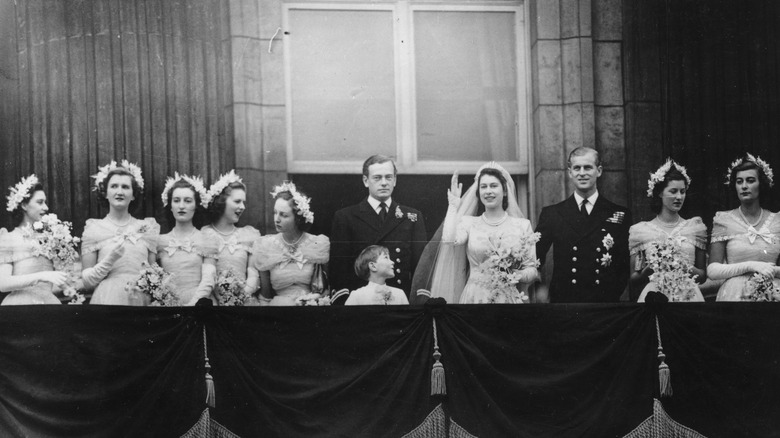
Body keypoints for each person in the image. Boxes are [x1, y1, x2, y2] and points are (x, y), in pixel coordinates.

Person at [420, 162, 538, 304]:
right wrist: (453, 206)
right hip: (475, 297)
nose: (488, 191)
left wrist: (513, 274)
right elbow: (449, 240)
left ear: (505, 190)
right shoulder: (469, 223)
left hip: (507, 298)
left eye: (494, 186)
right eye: (483, 187)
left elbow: (532, 270)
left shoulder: (522, 225)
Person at [535, 147, 632, 303]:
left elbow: (624, 265)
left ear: (599, 171)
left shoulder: (619, 214)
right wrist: (539, 288)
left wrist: (612, 293)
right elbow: (534, 258)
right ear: (570, 172)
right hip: (564, 303)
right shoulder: (552, 214)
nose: (582, 173)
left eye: (588, 167)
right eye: (576, 168)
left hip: (604, 303)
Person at [330, 155, 427, 303]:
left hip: (400, 301)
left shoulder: (412, 216)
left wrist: (417, 302)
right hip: (361, 302)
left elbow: (420, 267)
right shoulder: (346, 217)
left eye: (388, 177)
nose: (383, 183)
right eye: (377, 178)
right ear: (365, 181)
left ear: (395, 180)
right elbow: (339, 269)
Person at [81, 160, 160, 305]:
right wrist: (110, 259)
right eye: (114, 186)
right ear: (105, 193)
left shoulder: (146, 228)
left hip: (140, 299)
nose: (119, 192)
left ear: (133, 194)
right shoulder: (94, 229)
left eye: (125, 187)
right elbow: (87, 282)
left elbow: (153, 275)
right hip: (108, 298)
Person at [628, 159, 706, 302]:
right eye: (673, 191)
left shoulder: (694, 227)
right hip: (655, 297)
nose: (679, 197)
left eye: (682, 192)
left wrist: (682, 264)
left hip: (689, 297)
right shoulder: (641, 231)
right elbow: (634, 279)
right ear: (659, 193)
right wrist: (651, 268)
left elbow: (702, 275)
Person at [708, 154, 780, 301]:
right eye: (739, 182)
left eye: (750, 180)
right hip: (735, 295)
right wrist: (750, 266)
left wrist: (772, 270)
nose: (744, 186)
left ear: (762, 184)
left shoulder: (777, 221)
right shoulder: (724, 220)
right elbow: (712, 270)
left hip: (773, 294)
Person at [253, 181, 330, 306]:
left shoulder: (317, 244)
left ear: (298, 218)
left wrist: (313, 299)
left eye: (284, 215)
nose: (276, 219)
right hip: (278, 311)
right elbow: (265, 296)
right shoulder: (266, 246)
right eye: (275, 212)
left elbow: (325, 289)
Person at [0, 175, 69, 305]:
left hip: (48, 303)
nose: (46, 208)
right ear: (25, 205)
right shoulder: (9, 238)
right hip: (20, 305)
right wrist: (41, 276)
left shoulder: (50, 238)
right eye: (40, 202)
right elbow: (3, 283)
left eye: (45, 202)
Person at [156, 173, 218, 306]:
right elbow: (156, 280)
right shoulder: (160, 241)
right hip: (169, 305)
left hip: (199, 306)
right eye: (176, 200)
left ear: (196, 205)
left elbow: (208, 279)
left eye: (188, 201)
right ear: (170, 205)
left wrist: (192, 305)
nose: (182, 206)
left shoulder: (206, 238)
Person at [201, 170, 260, 303]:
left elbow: (253, 273)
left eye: (243, 202)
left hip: (244, 302)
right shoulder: (205, 234)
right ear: (222, 202)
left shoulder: (249, 235)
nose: (243, 207)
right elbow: (205, 275)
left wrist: (240, 297)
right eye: (237, 201)